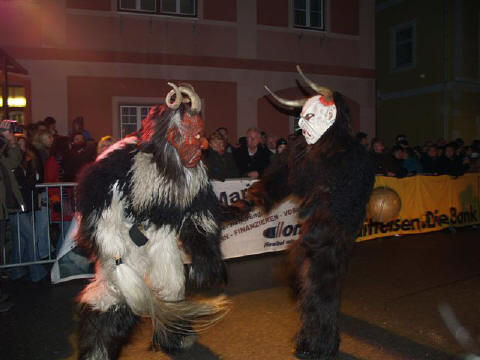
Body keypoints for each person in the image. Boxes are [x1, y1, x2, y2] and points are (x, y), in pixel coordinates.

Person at [76, 83, 228, 359]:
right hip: (120, 228)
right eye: (189, 136)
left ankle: (172, 333)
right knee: (114, 295)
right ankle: (97, 351)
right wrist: (115, 255)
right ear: (170, 135)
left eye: (200, 135)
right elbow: (98, 209)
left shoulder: (194, 173)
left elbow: (199, 214)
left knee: (171, 285)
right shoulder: (123, 162)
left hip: (160, 232)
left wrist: (206, 253)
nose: (198, 144)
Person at [250, 67, 374, 359]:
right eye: (301, 118)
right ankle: (313, 332)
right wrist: (262, 191)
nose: (301, 126)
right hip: (314, 228)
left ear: (330, 117)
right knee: (305, 282)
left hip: (338, 229)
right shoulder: (300, 150)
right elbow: (283, 176)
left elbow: (353, 194)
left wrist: (327, 209)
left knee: (321, 287)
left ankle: (322, 345)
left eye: (309, 117)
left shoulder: (353, 155)